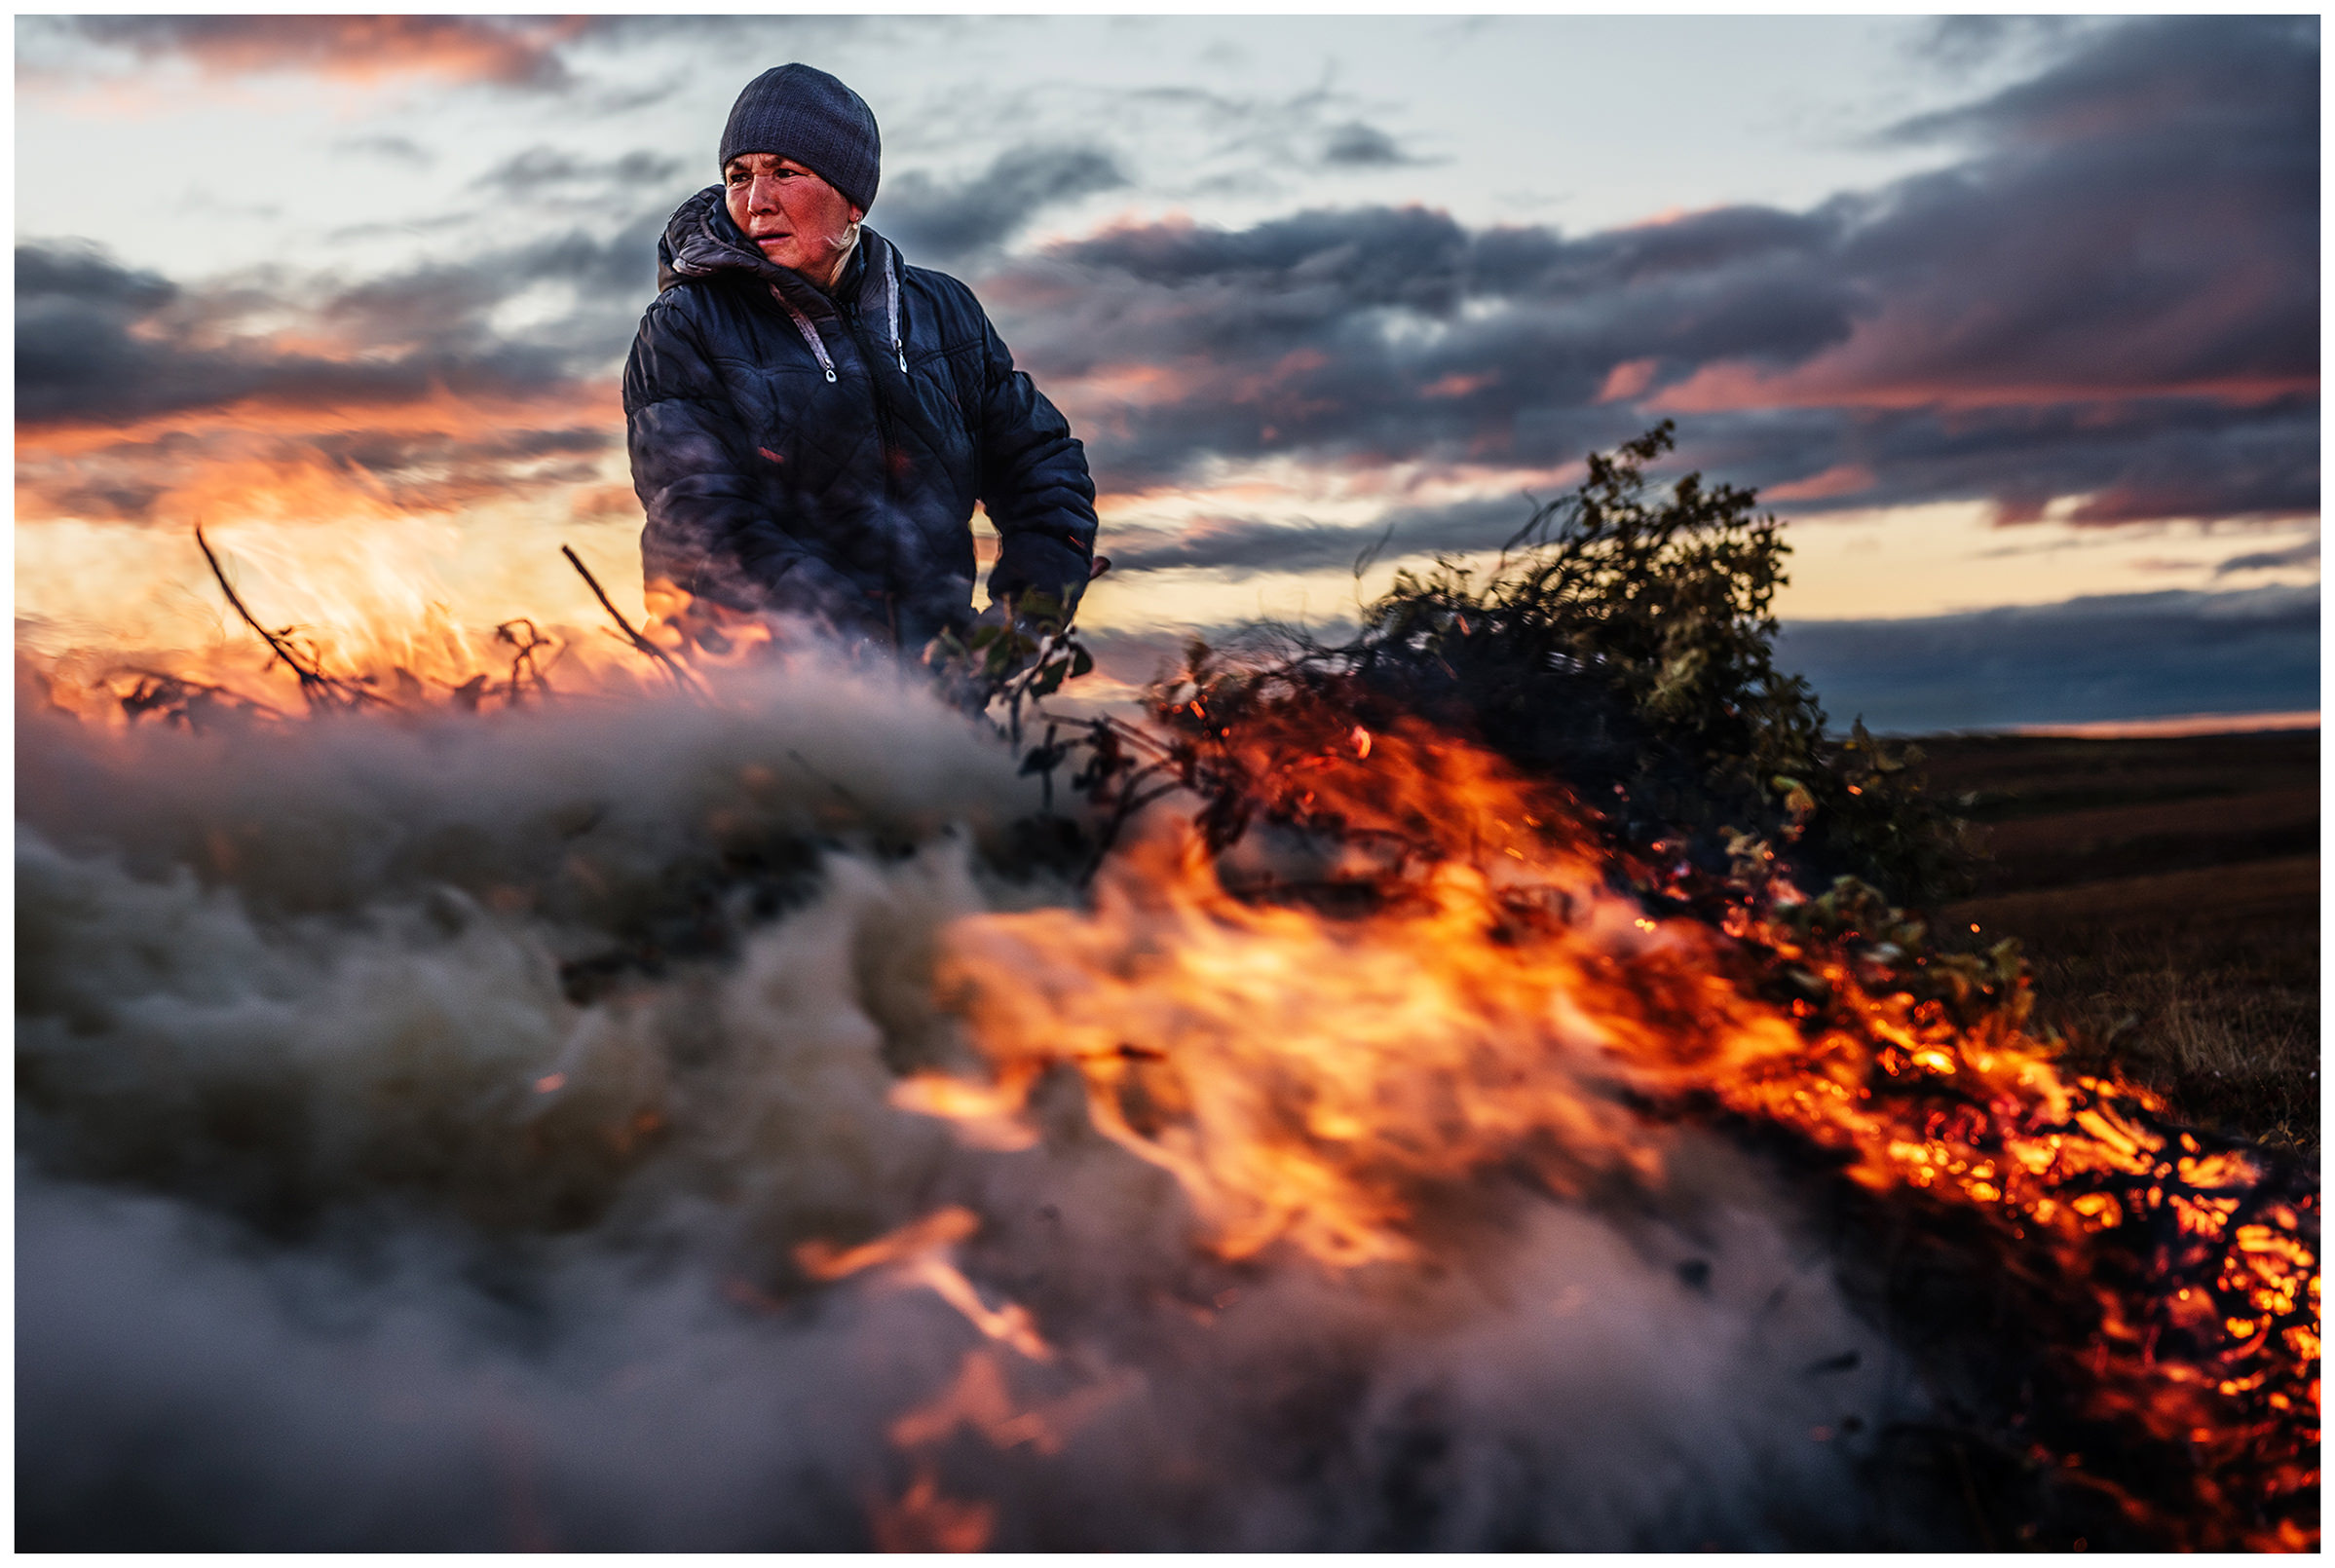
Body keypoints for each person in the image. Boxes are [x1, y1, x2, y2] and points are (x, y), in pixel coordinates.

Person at [624, 63, 1099, 657]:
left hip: (939, 685)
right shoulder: (687, 324)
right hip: (751, 692)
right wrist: (860, 649)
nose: (755, 201)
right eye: (738, 175)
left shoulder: (943, 312)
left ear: (853, 201)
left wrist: (1021, 621)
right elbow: (698, 517)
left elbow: (1042, 466)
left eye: (785, 173)